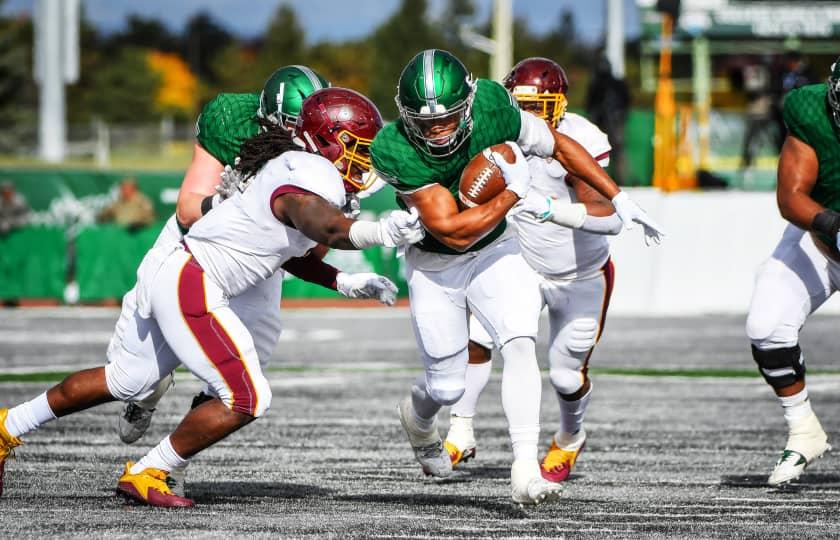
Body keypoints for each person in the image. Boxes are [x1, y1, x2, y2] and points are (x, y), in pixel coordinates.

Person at [0, 87, 425, 508]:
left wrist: (345, 282)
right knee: (247, 397)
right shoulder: (307, 174)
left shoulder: (296, 170)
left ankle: (8, 425)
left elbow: (283, 253)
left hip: (185, 273)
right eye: (360, 148)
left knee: (127, 378)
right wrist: (380, 232)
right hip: (195, 281)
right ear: (327, 140)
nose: (366, 162)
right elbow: (326, 228)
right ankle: (151, 469)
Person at [370, 49, 663, 504]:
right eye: (425, 122)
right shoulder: (392, 147)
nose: (437, 130)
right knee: (446, 384)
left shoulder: (491, 105)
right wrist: (515, 192)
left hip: (500, 250)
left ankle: (525, 469)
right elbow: (452, 233)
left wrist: (618, 198)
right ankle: (419, 417)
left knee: (519, 338)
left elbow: (559, 144)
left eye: (448, 117)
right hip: (436, 262)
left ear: (468, 102)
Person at [115, 65, 333, 452]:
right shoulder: (232, 119)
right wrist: (231, 201)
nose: (302, 139)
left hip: (257, 255)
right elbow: (186, 210)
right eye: (292, 128)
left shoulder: (331, 145)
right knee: (137, 374)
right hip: (196, 242)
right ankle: (148, 394)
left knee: (248, 364)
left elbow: (314, 249)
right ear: (267, 121)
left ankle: (173, 457)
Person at [443, 58, 621, 486]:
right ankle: (460, 429)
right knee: (479, 337)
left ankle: (570, 436)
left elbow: (606, 214)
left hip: (580, 274)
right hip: (519, 263)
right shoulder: (500, 131)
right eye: (523, 107)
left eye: (540, 106)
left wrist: (552, 211)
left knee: (564, 374)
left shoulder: (580, 138)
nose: (531, 118)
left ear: (558, 105)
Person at [744, 59, 840, 487]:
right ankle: (804, 428)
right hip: (822, 242)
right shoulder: (810, 109)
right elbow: (791, 197)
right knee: (766, 326)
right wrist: (833, 227)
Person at [585, 57, 630, 185]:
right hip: (601, 122)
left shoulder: (616, 83)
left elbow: (625, 101)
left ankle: (621, 180)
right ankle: (599, 180)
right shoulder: (596, 84)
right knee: (597, 150)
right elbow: (591, 104)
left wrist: (619, 115)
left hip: (614, 121)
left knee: (618, 150)